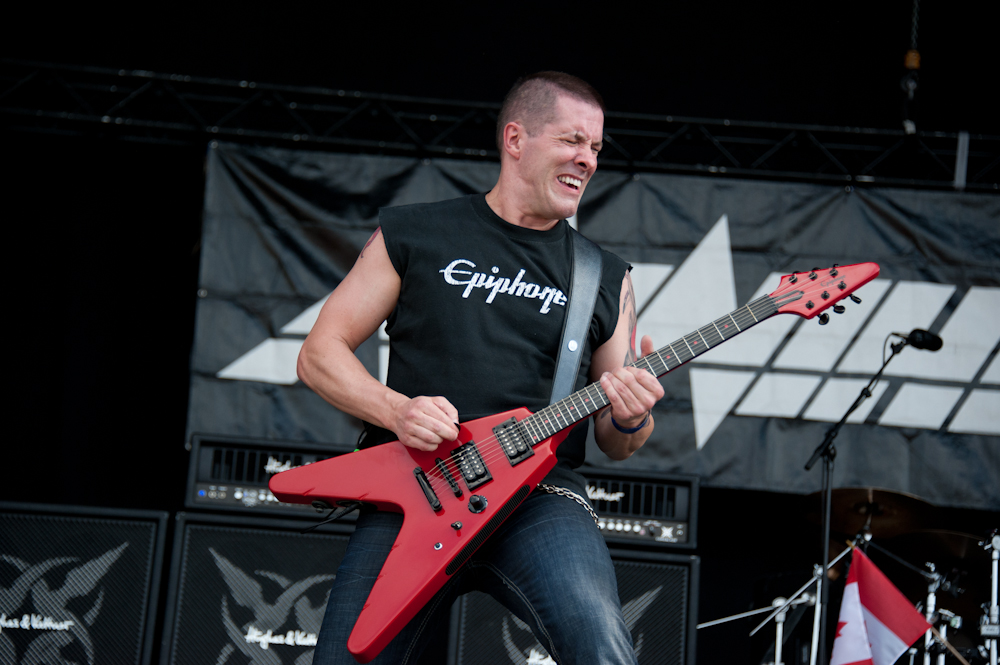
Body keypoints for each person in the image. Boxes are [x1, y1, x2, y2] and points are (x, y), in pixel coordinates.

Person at [298, 71, 665, 664]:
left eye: (596, 147)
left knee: (600, 643)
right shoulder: (416, 232)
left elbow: (619, 443)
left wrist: (631, 416)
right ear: (516, 139)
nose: (587, 159)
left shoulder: (604, 276)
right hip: (419, 487)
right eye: (572, 141)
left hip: (542, 501)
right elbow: (319, 354)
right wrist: (397, 410)